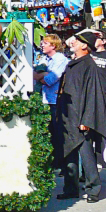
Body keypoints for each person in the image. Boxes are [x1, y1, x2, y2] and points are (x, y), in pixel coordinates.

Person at [56, 31, 106, 202]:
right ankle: (70, 188)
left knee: (86, 155)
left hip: (81, 117)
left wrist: (87, 119)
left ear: (85, 46)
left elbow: (93, 94)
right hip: (68, 116)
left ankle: (93, 190)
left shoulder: (89, 65)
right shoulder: (74, 63)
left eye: (77, 41)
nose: (73, 42)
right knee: (69, 152)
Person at [33, 34, 68, 165]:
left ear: (53, 45)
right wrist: (41, 75)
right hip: (45, 100)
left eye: (45, 43)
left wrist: (41, 76)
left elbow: (49, 80)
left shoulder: (60, 60)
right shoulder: (44, 59)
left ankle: (60, 163)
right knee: (48, 133)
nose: (42, 45)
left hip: (55, 101)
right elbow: (34, 76)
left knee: (57, 133)